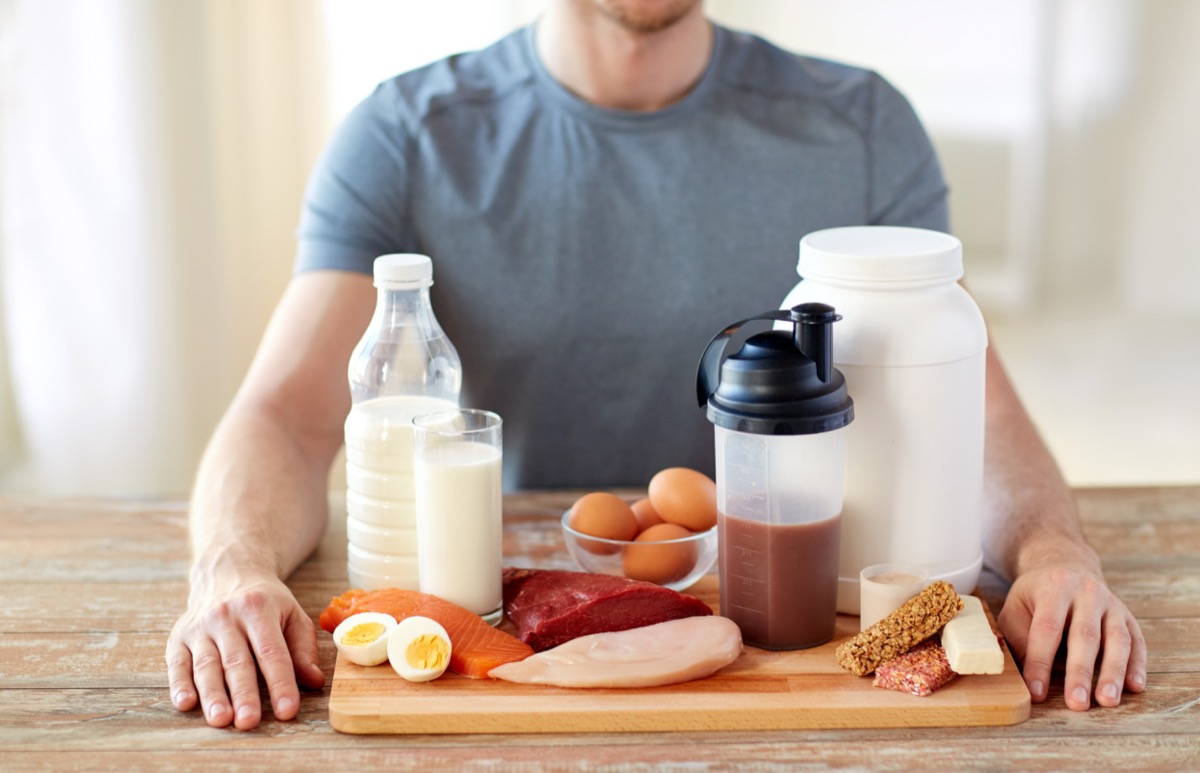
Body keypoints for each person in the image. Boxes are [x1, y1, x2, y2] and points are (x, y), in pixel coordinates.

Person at [166, 0, 1145, 730]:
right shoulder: (405, 136)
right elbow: (288, 417)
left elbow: (974, 409)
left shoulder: (863, 127)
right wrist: (230, 567)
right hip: (520, 621)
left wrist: (1056, 550)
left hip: (808, 628)